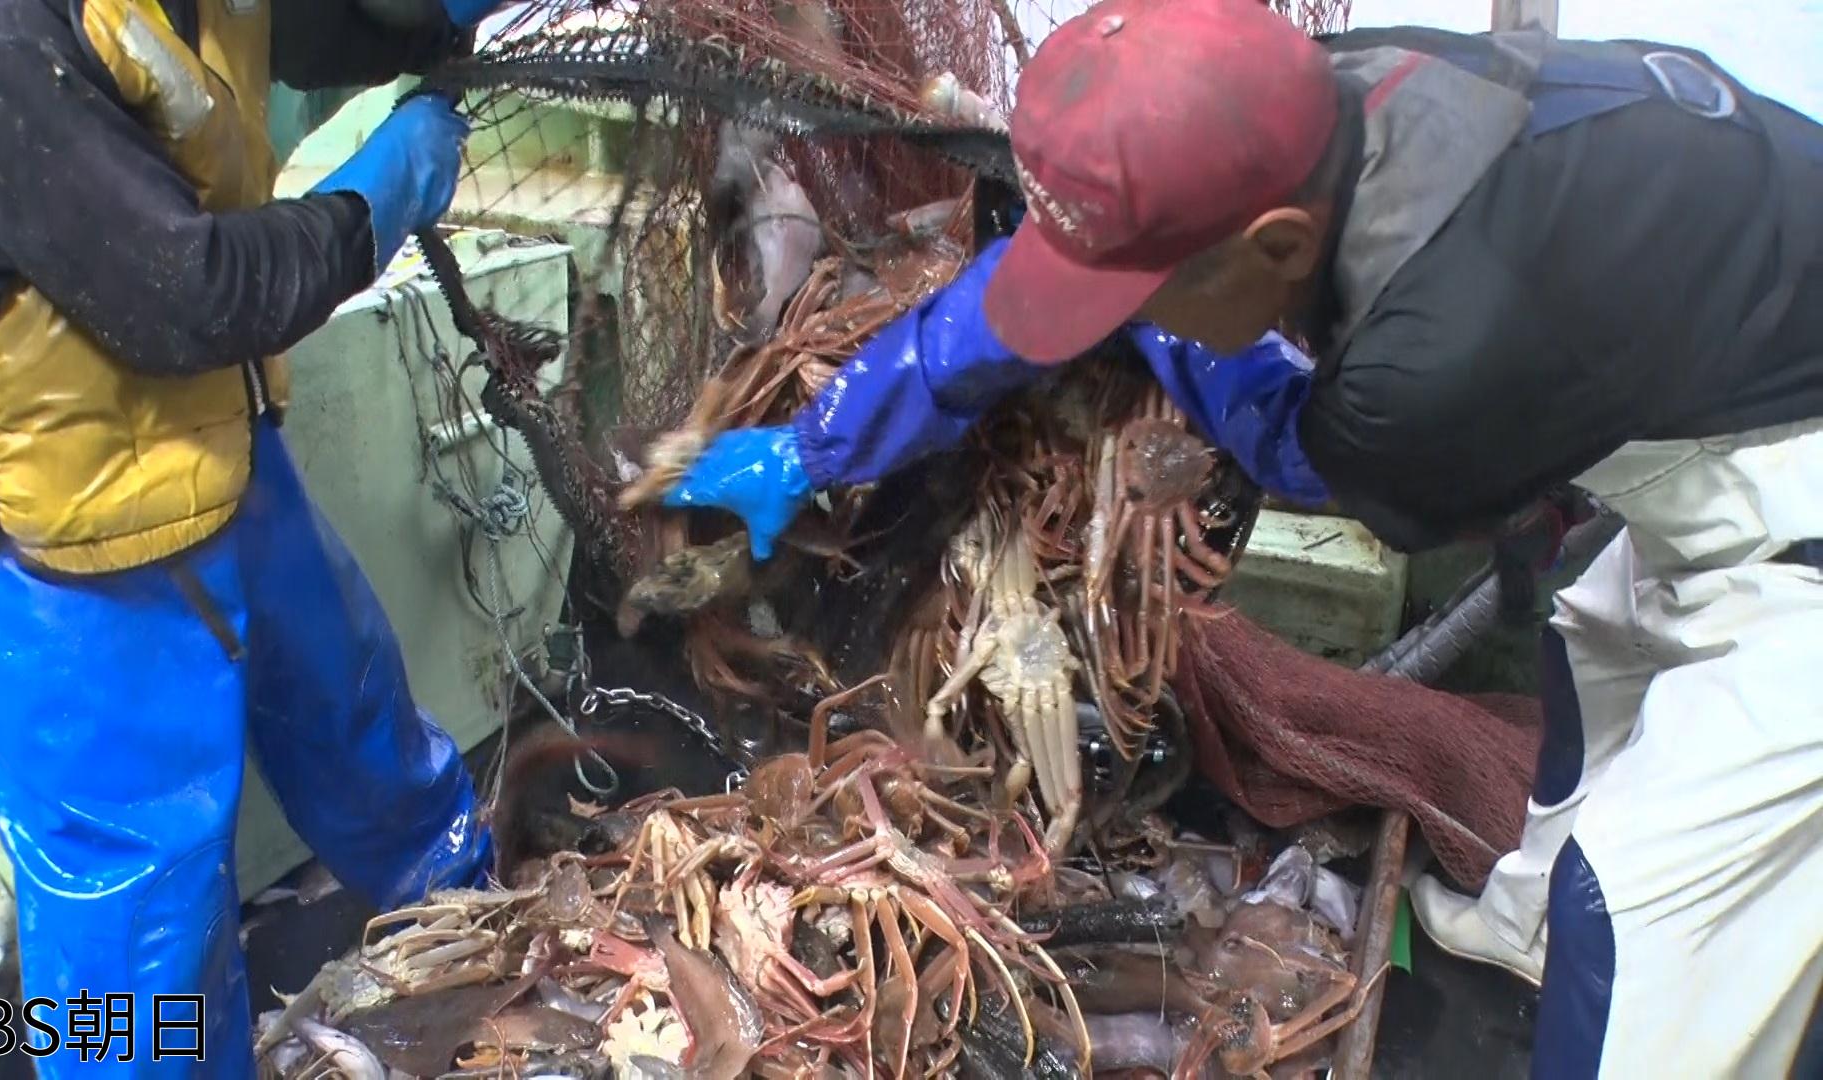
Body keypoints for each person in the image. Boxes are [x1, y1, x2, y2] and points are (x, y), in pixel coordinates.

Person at [662, 0, 1823, 1074]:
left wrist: (1139, 338)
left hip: (1799, 507)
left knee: (1632, 917)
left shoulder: (1423, 375)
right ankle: (1513, 943)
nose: (1122, 327)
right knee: (1601, 648)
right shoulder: (1319, 100)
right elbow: (1036, 285)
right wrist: (819, 444)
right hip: (1715, 368)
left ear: (1274, 246)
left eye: (1140, 298)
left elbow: (1299, 444)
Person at [0, 0, 509, 1072]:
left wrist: (425, 17)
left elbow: (312, 32)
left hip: (215, 443)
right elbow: (193, 293)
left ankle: (493, 936)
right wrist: (377, 200)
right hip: (43, 545)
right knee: (140, 939)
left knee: (353, 715)